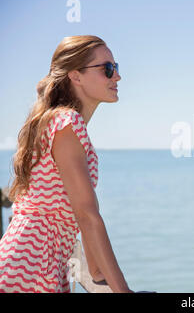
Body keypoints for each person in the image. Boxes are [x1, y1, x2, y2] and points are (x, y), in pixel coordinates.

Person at [0, 35, 132, 293]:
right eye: (107, 69)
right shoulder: (67, 123)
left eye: (116, 68)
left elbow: (82, 218)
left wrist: (97, 271)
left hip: (39, 262)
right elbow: (87, 214)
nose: (117, 77)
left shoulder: (62, 123)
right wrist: (123, 291)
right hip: (30, 264)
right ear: (76, 76)